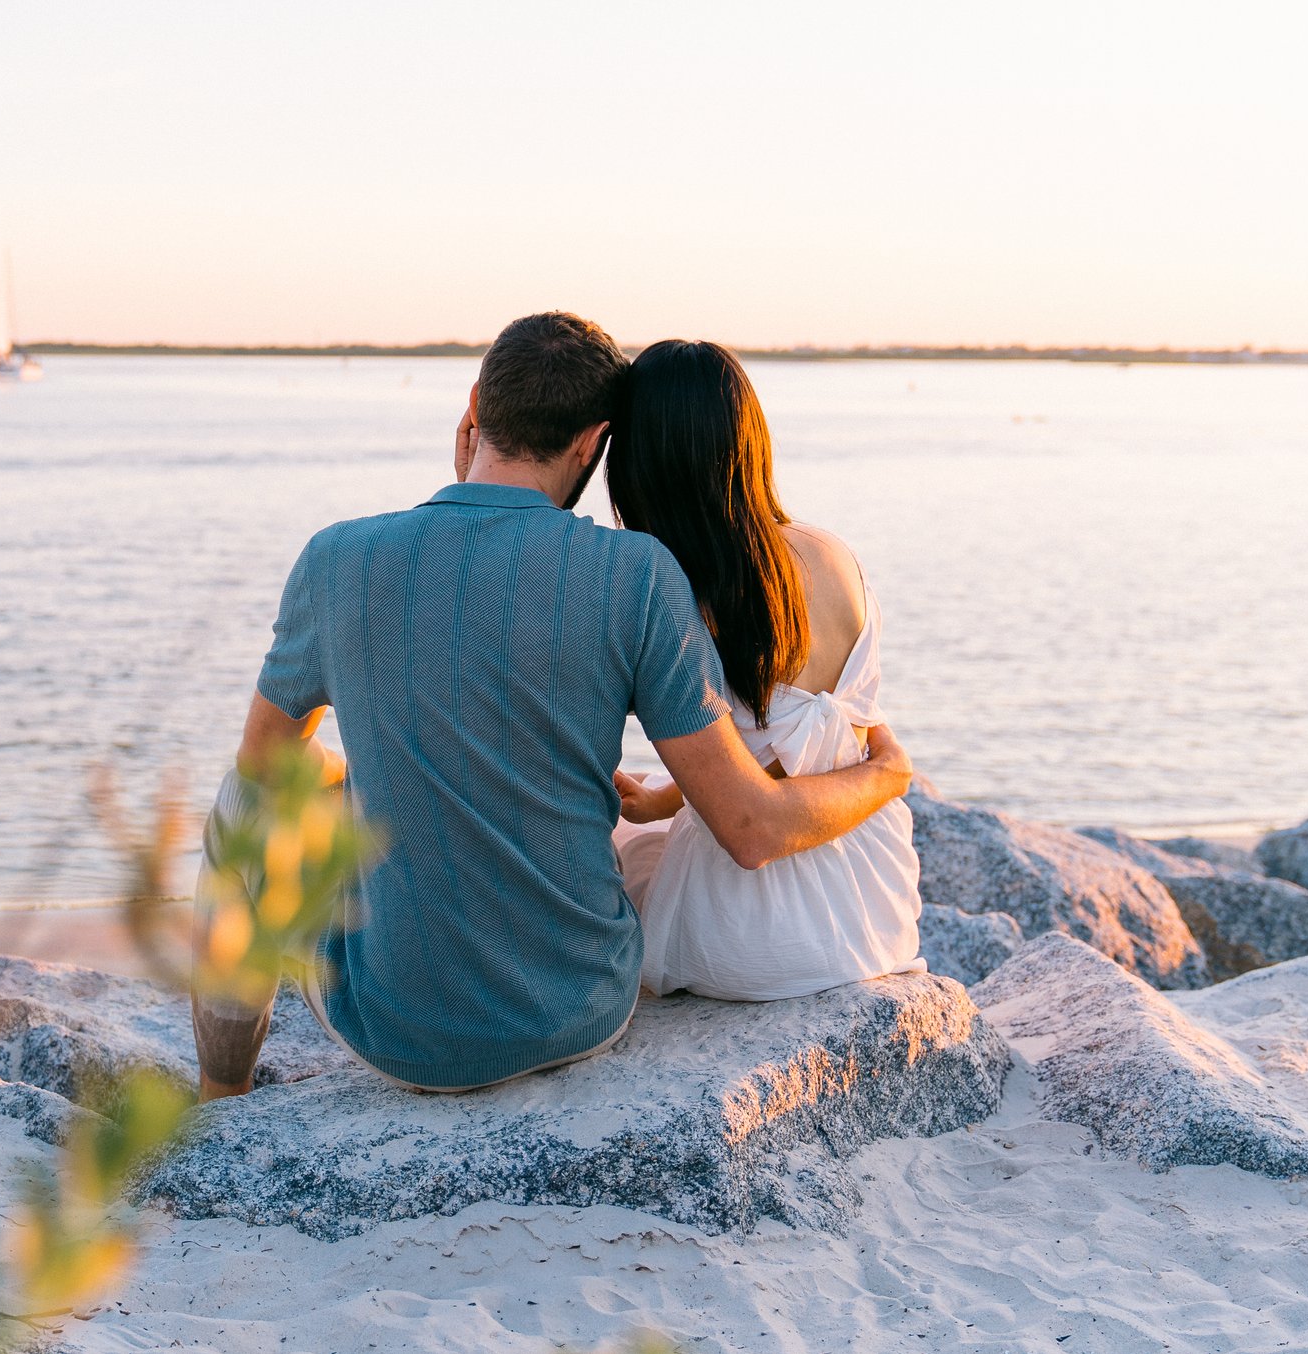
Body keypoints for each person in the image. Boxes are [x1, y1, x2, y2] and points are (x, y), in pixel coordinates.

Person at [190, 312, 913, 1097]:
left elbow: (265, 763)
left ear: (473, 409)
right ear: (592, 443)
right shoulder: (637, 573)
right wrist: (887, 769)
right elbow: (744, 814)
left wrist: (348, 769)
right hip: (583, 1011)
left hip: (398, 1034)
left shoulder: (335, 559)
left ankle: (221, 1089)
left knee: (246, 800)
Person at [608, 339, 921, 999]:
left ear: (643, 465)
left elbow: (753, 819)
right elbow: (802, 746)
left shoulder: (679, 594)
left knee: (625, 859)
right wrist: (667, 796)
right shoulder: (835, 558)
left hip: (751, 939)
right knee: (652, 833)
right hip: (872, 914)